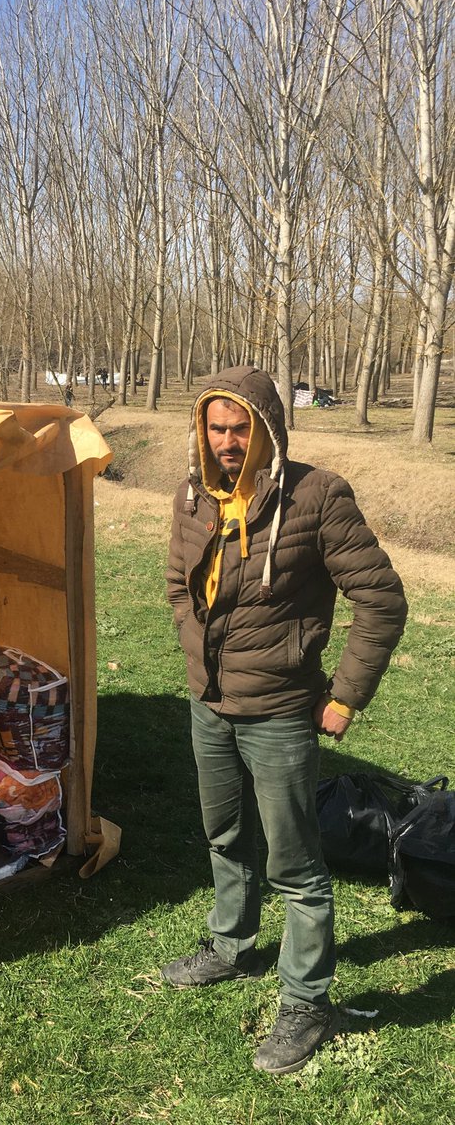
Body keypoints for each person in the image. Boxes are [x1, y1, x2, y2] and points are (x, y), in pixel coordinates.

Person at [163, 366, 407, 1075]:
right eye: (217, 427)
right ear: (202, 432)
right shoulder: (191, 494)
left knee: (296, 866)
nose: (228, 441)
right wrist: (194, 647)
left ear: (267, 428)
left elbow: (381, 600)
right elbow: (180, 583)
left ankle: (307, 1000)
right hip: (208, 703)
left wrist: (346, 695)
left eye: (241, 427)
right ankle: (232, 947)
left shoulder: (318, 496)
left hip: (280, 712)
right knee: (225, 834)